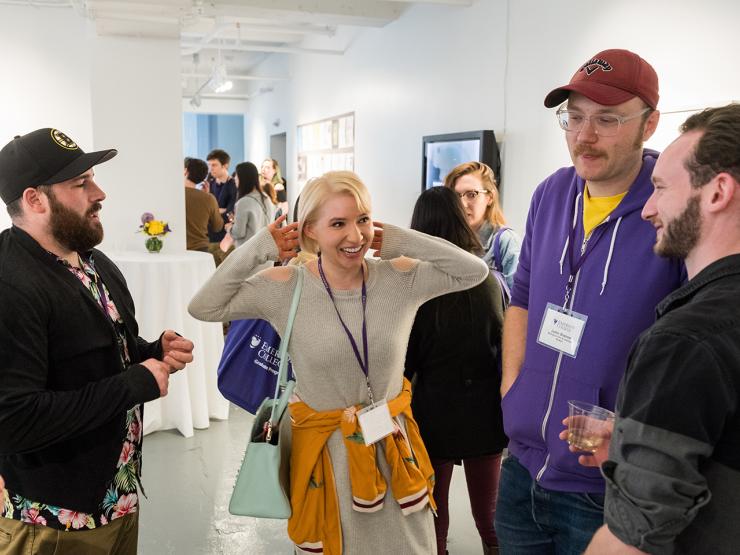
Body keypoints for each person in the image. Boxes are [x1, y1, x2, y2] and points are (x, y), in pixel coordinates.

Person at [189, 170, 489, 554]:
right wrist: (261, 247)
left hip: (393, 451)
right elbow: (204, 306)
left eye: (362, 219)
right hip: (326, 459)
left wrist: (399, 239)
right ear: (310, 230)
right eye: (338, 224)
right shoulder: (286, 286)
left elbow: (473, 271)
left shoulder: (400, 278)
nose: (355, 236)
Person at [495, 49, 685, 554]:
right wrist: (513, 387)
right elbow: (524, 297)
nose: (584, 136)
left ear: (650, 124)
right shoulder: (551, 194)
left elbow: (687, 341)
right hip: (521, 464)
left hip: (603, 478)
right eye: (574, 117)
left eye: (607, 119)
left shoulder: (667, 208)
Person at [0, 128, 194, 553]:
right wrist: (133, 384)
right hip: (53, 519)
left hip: (115, 497)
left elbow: (91, 357)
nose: (99, 192)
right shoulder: (11, 284)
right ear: (34, 199)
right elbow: (13, 421)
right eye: (80, 183)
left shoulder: (93, 261)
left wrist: (151, 351)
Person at [571, 104, 740, 554]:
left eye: (661, 188)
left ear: (718, 191)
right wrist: (638, 446)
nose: (647, 210)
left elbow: (632, 542)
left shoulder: (683, 342)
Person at [404, 186, 506, 555]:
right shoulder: (485, 277)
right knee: (490, 516)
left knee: (434, 515)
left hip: (433, 414)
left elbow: (407, 359)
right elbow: (499, 339)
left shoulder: (418, 285)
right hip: (486, 412)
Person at [444, 161, 521, 292]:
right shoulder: (446, 240)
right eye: (456, 196)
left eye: (471, 195)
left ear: (490, 198)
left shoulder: (506, 241)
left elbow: (518, 303)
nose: (462, 204)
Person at [229, 161, 274, 249]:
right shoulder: (267, 198)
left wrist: (229, 228)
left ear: (243, 178)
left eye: (237, 176)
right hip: (266, 252)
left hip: (249, 254)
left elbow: (238, 233)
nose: (235, 178)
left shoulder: (243, 202)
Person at [184, 156, 223, 255]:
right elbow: (217, 226)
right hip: (200, 251)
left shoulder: (173, 195)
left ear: (185, 171)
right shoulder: (209, 198)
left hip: (177, 250)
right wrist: (207, 196)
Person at [206, 148, 237, 265]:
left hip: (224, 237)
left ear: (225, 166)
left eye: (214, 165)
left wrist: (214, 210)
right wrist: (218, 210)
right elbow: (207, 210)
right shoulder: (210, 183)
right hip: (209, 235)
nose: (210, 168)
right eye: (209, 165)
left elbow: (230, 212)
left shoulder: (233, 185)